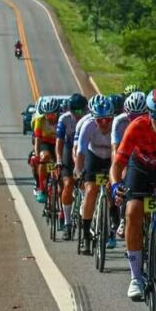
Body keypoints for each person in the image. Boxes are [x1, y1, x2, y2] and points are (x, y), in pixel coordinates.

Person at [110, 88, 156, 300]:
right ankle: (136, 277)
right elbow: (117, 164)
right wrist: (115, 185)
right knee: (132, 212)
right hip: (139, 168)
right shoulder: (137, 127)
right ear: (148, 114)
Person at [75, 95, 115, 255]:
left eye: (108, 119)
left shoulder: (117, 125)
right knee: (91, 191)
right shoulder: (88, 125)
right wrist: (79, 174)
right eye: (100, 120)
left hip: (112, 159)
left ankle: (112, 224)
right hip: (94, 157)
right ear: (94, 118)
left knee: (113, 189)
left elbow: (122, 154)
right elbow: (81, 153)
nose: (104, 123)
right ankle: (86, 236)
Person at [112, 91, 148, 240]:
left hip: (146, 156)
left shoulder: (154, 122)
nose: (135, 120)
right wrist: (117, 181)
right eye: (132, 117)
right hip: (126, 153)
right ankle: (122, 218)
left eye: (139, 116)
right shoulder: (119, 122)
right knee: (125, 179)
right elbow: (116, 152)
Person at [55, 93, 88, 240]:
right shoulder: (64, 119)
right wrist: (58, 160)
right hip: (69, 150)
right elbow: (59, 142)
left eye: (79, 111)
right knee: (68, 184)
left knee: (85, 185)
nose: (76, 114)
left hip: (86, 151)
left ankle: (85, 209)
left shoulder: (89, 118)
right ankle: (67, 224)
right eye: (73, 110)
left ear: (85, 109)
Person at [32, 97, 61, 204]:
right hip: (45, 143)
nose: (50, 117)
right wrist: (37, 155)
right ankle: (42, 188)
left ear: (57, 113)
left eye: (52, 114)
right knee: (44, 157)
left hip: (58, 143)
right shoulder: (39, 120)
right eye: (47, 115)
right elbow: (37, 140)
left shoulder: (62, 119)